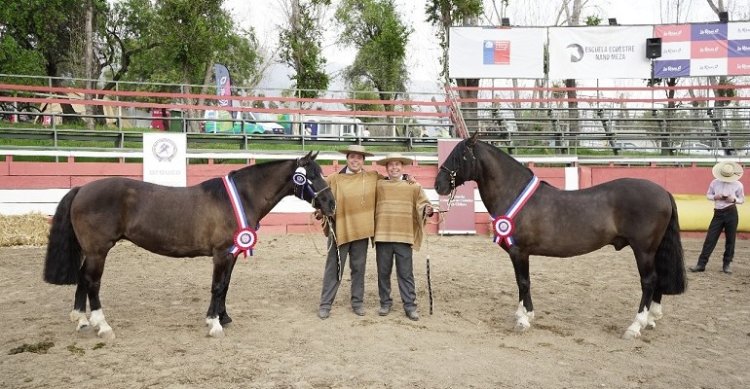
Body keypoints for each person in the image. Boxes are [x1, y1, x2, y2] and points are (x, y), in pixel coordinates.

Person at [316, 145, 380, 319]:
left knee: (358, 268)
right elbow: (319, 198)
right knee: (334, 268)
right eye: (352, 157)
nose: (355, 161)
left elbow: (391, 182)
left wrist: (406, 177)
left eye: (359, 158)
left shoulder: (372, 177)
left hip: (361, 231)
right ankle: (325, 304)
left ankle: (357, 302)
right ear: (347, 158)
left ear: (363, 161)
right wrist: (320, 211)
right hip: (339, 230)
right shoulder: (333, 179)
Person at [373, 153, 433, 321]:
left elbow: (424, 204)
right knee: (383, 273)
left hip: (404, 236)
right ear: (386, 168)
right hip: (383, 236)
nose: (394, 167)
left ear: (402, 167)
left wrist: (427, 210)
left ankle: (410, 306)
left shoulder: (413, 186)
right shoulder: (379, 185)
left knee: (406, 274)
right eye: (390, 165)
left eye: (397, 164)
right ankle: (385, 303)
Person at [690, 161, 744, 274]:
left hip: (731, 211)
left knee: (730, 240)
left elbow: (742, 200)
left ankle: (727, 264)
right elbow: (708, 195)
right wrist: (716, 197)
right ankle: (701, 264)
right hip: (718, 213)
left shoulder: (738, 185)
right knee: (710, 239)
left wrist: (734, 200)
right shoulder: (715, 183)